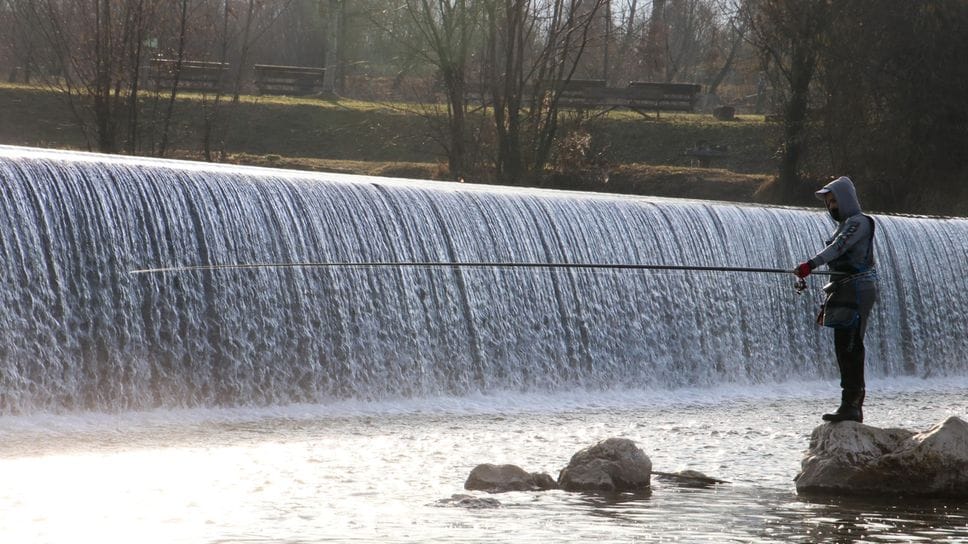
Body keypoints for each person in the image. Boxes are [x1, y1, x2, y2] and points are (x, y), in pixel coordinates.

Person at [793, 176, 878, 423]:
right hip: (843, 289)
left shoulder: (859, 223)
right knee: (843, 349)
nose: (831, 207)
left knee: (851, 347)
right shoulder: (844, 225)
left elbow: (838, 249)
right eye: (828, 203)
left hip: (858, 289)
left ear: (845, 199)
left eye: (834, 201)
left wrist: (809, 265)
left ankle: (853, 406)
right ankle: (847, 404)